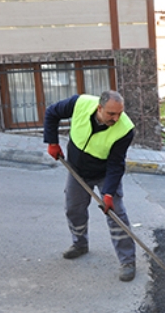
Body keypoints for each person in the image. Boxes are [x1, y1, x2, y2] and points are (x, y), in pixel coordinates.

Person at [43, 90, 137, 282]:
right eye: (111, 114)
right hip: (77, 170)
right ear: (99, 108)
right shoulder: (80, 103)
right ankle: (80, 244)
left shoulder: (125, 129)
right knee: (73, 208)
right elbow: (52, 112)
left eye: (119, 113)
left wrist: (109, 193)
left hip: (104, 174)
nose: (116, 118)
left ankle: (127, 261)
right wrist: (52, 141)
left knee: (116, 214)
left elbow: (116, 164)